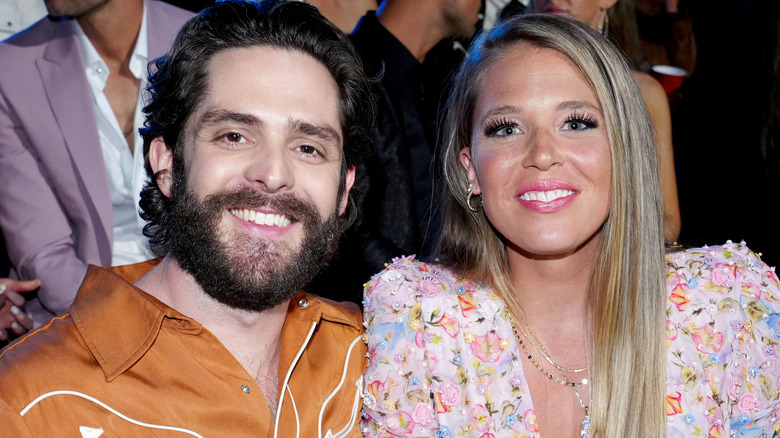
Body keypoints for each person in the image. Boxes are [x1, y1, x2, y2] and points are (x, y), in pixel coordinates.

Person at [361, 14, 780, 437]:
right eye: (506, 128)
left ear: (625, 149)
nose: (542, 154)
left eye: (576, 123)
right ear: (470, 170)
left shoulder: (730, 307)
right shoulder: (420, 321)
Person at [0, 1, 373, 436]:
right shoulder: (32, 404)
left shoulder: (380, 360)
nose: (273, 174)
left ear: (344, 189)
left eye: (308, 147)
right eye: (234, 136)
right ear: (166, 164)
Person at [0, 0, 193, 328]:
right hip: (83, 309)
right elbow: (43, 253)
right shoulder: (12, 68)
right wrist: (136, 322)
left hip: (203, 297)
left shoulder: (207, 40)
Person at [308, 0, 482, 302]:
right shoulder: (343, 70)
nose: (481, 6)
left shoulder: (444, 82)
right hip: (360, 323)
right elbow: (342, 221)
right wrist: (425, 294)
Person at [528, 0, 681, 243]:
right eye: (507, 129)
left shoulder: (641, 93)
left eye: (579, 124)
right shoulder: (503, 86)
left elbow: (668, 222)